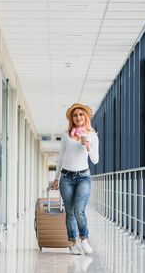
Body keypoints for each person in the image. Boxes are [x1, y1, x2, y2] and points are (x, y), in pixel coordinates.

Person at [51, 102, 99, 255]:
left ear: (85, 117)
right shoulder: (66, 134)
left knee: (79, 210)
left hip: (83, 177)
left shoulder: (91, 135)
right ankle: (73, 243)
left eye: (81, 114)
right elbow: (61, 157)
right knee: (70, 212)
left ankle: (84, 240)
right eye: (75, 115)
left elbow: (96, 160)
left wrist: (88, 148)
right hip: (66, 177)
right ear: (72, 118)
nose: (78, 117)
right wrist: (56, 177)